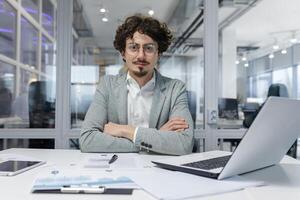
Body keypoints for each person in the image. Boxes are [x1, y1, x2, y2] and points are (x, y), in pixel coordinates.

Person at [80, 14, 194, 155]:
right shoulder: (107, 85)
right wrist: (155, 138)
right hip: (117, 170)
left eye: (149, 48)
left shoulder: (175, 89)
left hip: (160, 173)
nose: (141, 55)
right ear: (123, 53)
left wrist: (125, 131)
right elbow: (88, 140)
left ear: (158, 54)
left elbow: (184, 144)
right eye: (133, 47)